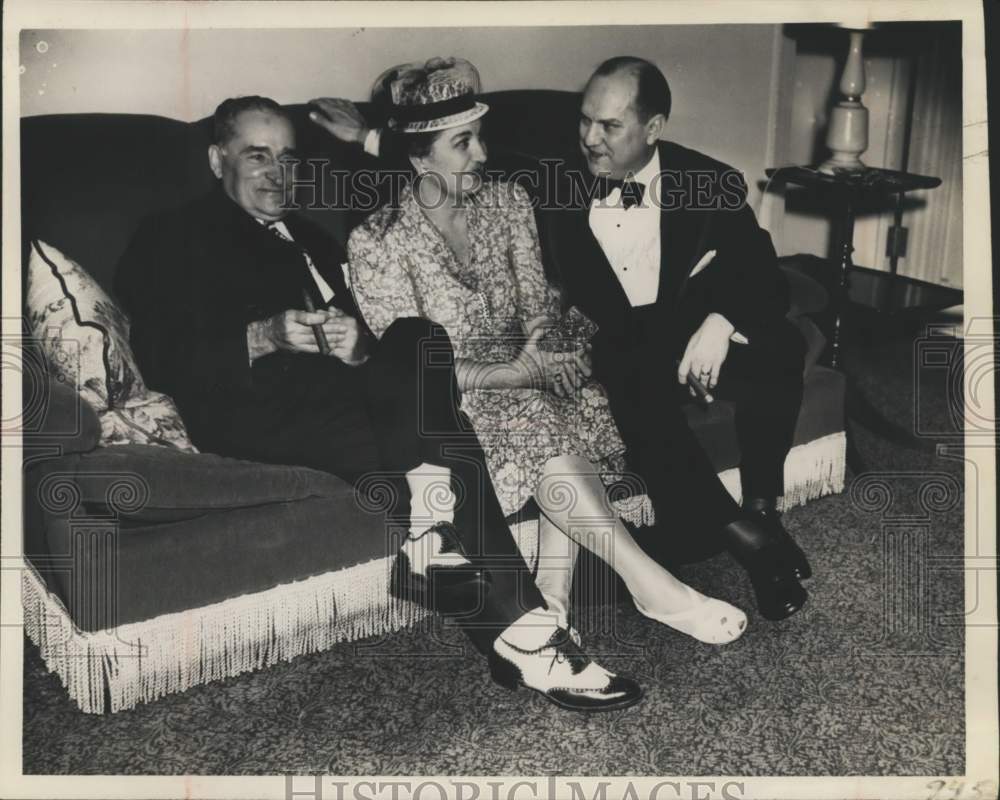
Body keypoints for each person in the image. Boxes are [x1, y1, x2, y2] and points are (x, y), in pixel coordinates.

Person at [114, 95, 642, 712]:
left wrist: (358, 347)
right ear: (216, 158)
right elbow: (156, 350)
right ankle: (525, 633)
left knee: (419, 338)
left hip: (348, 391)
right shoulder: (173, 234)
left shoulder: (310, 235)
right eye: (258, 156)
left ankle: (431, 537)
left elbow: (378, 334)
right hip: (255, 406)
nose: (278, 172)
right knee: (441, 434)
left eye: (289, 156)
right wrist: (262, 336)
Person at [311, 56, 812, 621]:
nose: (590, 139)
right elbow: (430, 162)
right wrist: (367, 135)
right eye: (583, 121)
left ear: (653, 129)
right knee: (611, 380)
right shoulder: (544, 180)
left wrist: (720, 322)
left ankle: (757, 517)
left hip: (668, 334)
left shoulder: (704, 182)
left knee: (780, 346)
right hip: (584, 353)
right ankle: (702, 558)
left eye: (610, 127)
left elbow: (763, 276)